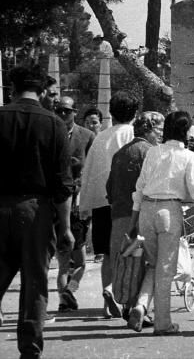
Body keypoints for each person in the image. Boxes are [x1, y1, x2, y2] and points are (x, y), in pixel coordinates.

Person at [0, 65, 74, 358]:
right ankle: (29, 350)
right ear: (43, 91)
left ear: (12, 89)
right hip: (35, 211)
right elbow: (63, 184)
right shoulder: (54, 124)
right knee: (34, 283)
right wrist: (65, 226)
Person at [127, 111, 194, 335]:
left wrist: (133, 221)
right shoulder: (189, 157)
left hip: (145, 210)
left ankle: (141, 304)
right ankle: (163, 323)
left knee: (153, 265)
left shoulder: (153, 152)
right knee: (166, 269)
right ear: (187, 131)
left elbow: (139, 188)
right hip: (169, 211)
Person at [78, 90, 138, 318]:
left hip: (102, 203)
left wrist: (85, 204)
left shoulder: (100, 137)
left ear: (110, 113)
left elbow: (89, 172)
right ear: (135, 113)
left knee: (108, 254)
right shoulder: (134, 135)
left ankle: (108, 299)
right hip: (127, 204)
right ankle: (128, 301)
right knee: (132, 251)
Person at [105, 112, 160, 327]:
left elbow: (109, 187)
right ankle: (139, 308)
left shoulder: (120, 153)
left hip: (119, 213)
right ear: (148, 129)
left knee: (127, 260)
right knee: (145, 262)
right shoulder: (150, 152)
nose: (160, 134)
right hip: (141, 213)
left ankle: (121, 299)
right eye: (158, 129)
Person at [53, 96, 95, 313]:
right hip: (55, 204)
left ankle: (67, 292)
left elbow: (90, 171)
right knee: (64, 259)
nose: (62, 115)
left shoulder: (87, 136)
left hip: (77, 203)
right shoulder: (49, 133)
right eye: (58, 111)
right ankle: (65, 296)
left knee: (78, 258)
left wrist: (84, 200)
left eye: (66, 111)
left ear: (74, 112)